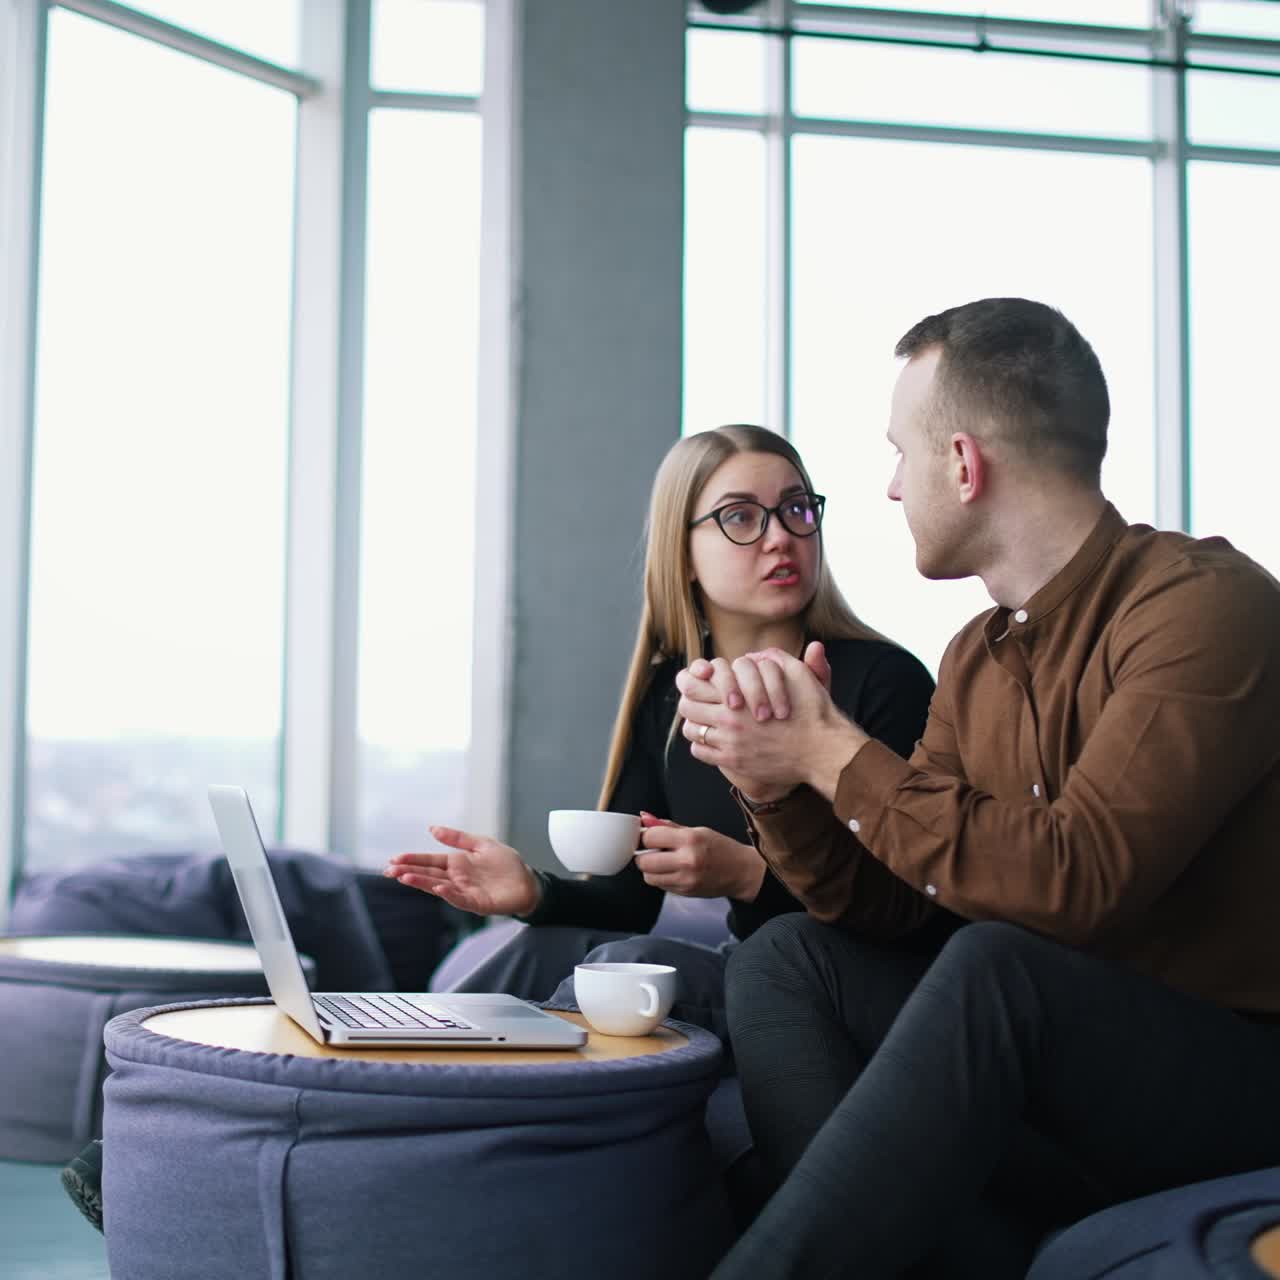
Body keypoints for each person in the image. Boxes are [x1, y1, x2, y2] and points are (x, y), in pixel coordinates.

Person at [675, 298, 1280, 1279]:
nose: (885, 487)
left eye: (897, 455)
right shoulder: (974, 656)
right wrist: (776, 783)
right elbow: (883, 900)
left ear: (961, 464)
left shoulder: (1205, 607)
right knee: (787, 958)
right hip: (1062, 1067)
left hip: (1236, 1073)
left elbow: (1075, 879)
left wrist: (829, 748)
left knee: (998, 968)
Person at [384, 424, 940, 1047]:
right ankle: (397, 1060)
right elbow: (629, 897)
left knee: (617, 967)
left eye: (795, 509)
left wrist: (751, 876)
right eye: (740, 517)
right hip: (756, 968)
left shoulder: (885, 682)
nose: (780, 536)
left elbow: (907, 908)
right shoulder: (668, 698)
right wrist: (531, 890)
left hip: (836, 984)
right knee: (548, 944)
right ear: (684, 551)